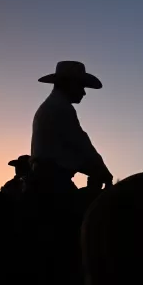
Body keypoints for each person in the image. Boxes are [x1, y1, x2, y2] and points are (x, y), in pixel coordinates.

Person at [28, 61, 114, 195]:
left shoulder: (53, 106)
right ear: (69, 84)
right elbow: (81, 144)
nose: (83, 92)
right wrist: (102, 171)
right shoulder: (61, 108)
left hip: (45, 180)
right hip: (52, 184)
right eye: (81, 86)